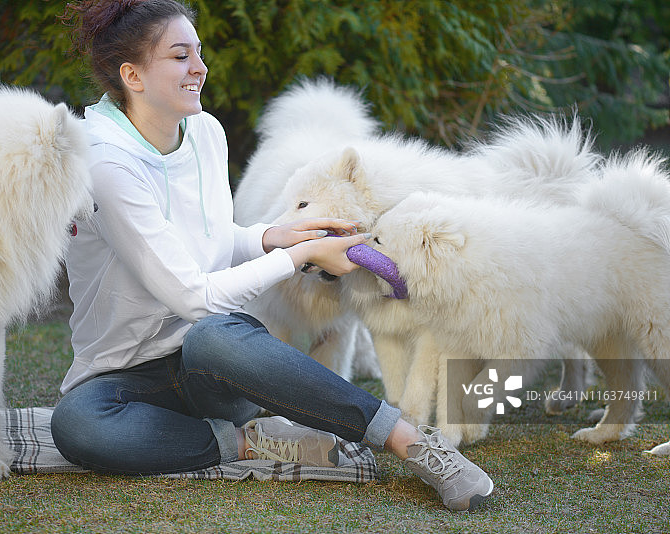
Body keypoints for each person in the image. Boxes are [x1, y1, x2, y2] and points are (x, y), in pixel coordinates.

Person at [51, 0, 494, 512]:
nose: (200, 68)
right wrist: (304, 253)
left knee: (214, 336)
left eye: (199, 53)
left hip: (213, 363)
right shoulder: (106, 162)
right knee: (76, 424)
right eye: (180, 56)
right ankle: (250, 444)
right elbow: (193, 294)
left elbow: (213, 243)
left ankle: (410, 441)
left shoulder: (205, 134)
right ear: (133, 75)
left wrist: (275, 236)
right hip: (122, 372)